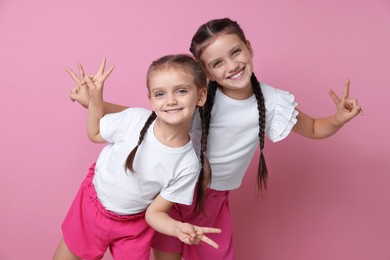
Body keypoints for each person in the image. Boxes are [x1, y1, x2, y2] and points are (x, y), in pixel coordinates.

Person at [69, 18, 362, 260]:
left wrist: (337, 119)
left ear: (248, 48)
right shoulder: (199, 99)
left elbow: (312, 128)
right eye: (218, 62)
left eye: (236, 52)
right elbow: (150, 116)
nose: (231, 65)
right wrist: (94, 103)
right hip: (170, 193)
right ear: (205, 72)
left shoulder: (271, 102)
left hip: (212, 200)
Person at [53, 54, 222, 260]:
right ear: (150, 99)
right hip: (92, 208)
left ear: (201, 96)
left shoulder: (188, 165)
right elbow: (95, 133)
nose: (170, 100)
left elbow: (155, 214)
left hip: (135, 226)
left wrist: (176, 227)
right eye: (160, 94)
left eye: (181, 91)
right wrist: (95, 98)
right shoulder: (135, 118)